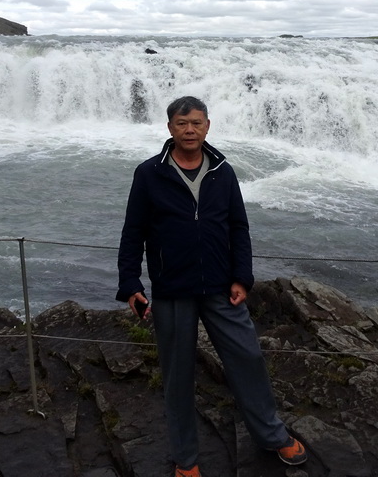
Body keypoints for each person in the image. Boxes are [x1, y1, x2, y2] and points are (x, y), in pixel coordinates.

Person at [116, 95, 307, 477]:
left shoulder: (223, 170)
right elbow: (133, 231)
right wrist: (130, 282)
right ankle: (186, 460)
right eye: (182, 123)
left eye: (197, 123)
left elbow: (239, 226)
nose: (190, 129)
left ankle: (272, 435)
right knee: (177, 376)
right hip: (172, 290)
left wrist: (243, 276)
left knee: (249, 359)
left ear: (208, 126)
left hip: (222, 286)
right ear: (170, 127)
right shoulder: (149, 173)